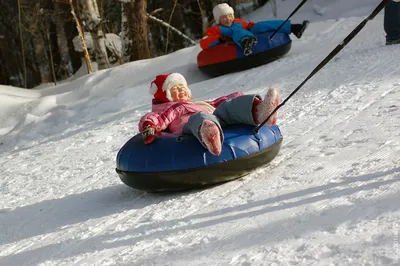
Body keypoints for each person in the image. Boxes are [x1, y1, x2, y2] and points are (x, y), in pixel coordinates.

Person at [138, 73, 280, 156]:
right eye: (175, 89)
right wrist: (148, 126)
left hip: (215, 118)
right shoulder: (168, 109)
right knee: (200, 118)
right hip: (190, 127)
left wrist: (234, 98)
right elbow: (155, 118)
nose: (181, 90)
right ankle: (209, 133)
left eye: (183, 87)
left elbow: (216, 103)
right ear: (165, 95)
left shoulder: (197, 103)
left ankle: (261, 111)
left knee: (227, 107)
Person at [200, 3, 309, 55]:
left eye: (230, 15)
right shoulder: (216, 29)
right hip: (234, 40)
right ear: (218, 19)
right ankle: (246, 42)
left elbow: (248, 26)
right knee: (236, 31)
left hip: (248, 32)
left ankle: (293, 28)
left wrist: (252, 26)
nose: (228, 19)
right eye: (224, 17)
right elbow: (204, 43)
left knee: (260, 25)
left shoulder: (237, 22)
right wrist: (219, 39)